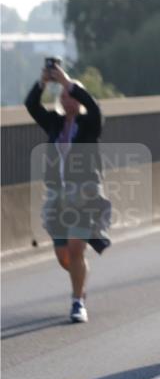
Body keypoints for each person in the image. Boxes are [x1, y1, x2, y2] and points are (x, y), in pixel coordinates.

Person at [25, 61, 111, 323]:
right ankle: (80, 282)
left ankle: (77, 302)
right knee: (64, 256)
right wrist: (43, 82)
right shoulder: (54, 122)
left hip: (84, 194)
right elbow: (31, 105)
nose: (68, 99)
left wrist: (66, 81)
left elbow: (94, 106)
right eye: (64, 96)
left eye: (72, 95)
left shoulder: (90, 123)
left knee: (75, 249)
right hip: (57, 196)